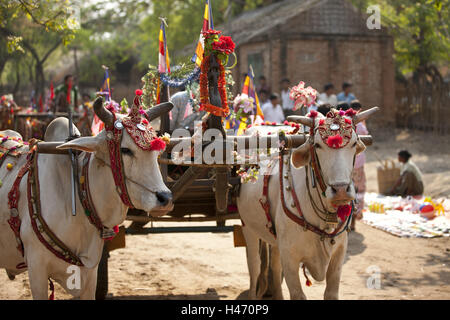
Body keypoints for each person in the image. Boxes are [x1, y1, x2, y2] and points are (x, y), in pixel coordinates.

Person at [350, 100, 367, 230]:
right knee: (357, 191)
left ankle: (348, 222)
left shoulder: (346, 122)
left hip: (348, 163)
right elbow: (365, 136)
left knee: (348, 191)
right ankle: (353, 221)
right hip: (358, 163)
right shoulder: (359, 124)